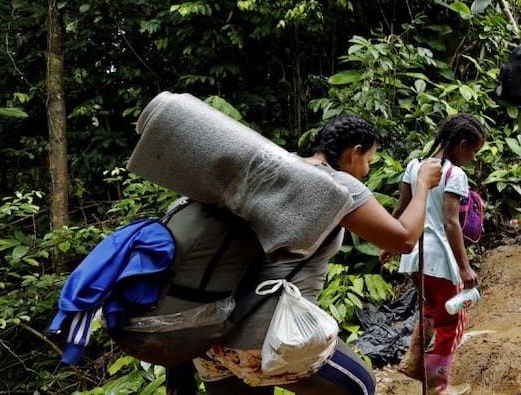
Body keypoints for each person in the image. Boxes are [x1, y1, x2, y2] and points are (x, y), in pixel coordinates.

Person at [193, 115, 442, 395]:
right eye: (368, 161)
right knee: (359, 386)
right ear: (354, 152)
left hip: (206, 338)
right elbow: (405, 239)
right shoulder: (336, 184)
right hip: (264, 336)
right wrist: (422, 185)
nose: (367, 170)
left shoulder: (275, 169)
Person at [393, 114, 487, 395]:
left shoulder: (415, 166)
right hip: (441, 261)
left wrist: (388, 245)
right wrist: (465, 267)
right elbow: (450, 222)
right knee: (451, 322)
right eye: (474, 150)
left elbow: (400, 209)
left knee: (430, 310)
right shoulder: (454, 174)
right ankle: (438, 387)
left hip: (414, 257)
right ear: (461, 144)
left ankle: (415, 363)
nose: (472, 156)